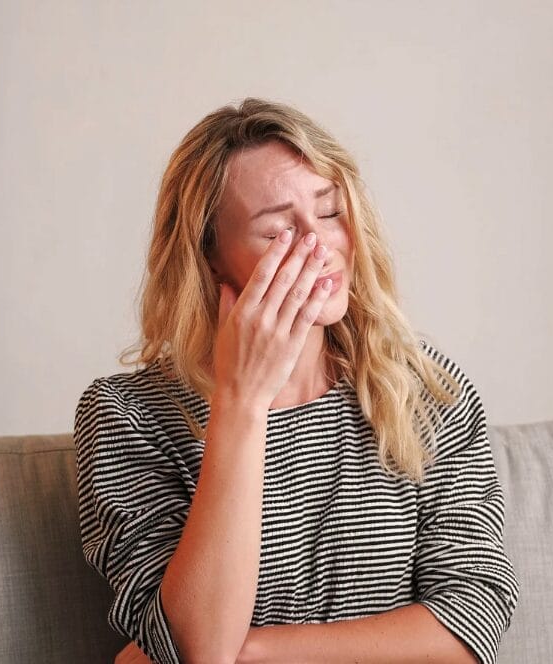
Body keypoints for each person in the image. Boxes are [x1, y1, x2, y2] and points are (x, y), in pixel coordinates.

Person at [73, 98, 519, 664]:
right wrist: (242, 403)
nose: (319, 243)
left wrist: (254, 652)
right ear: (210, 257)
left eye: (329, 211)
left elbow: (472, 620)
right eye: (279, 229)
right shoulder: (124, 416)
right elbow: (198, 648)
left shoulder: (424, 389)